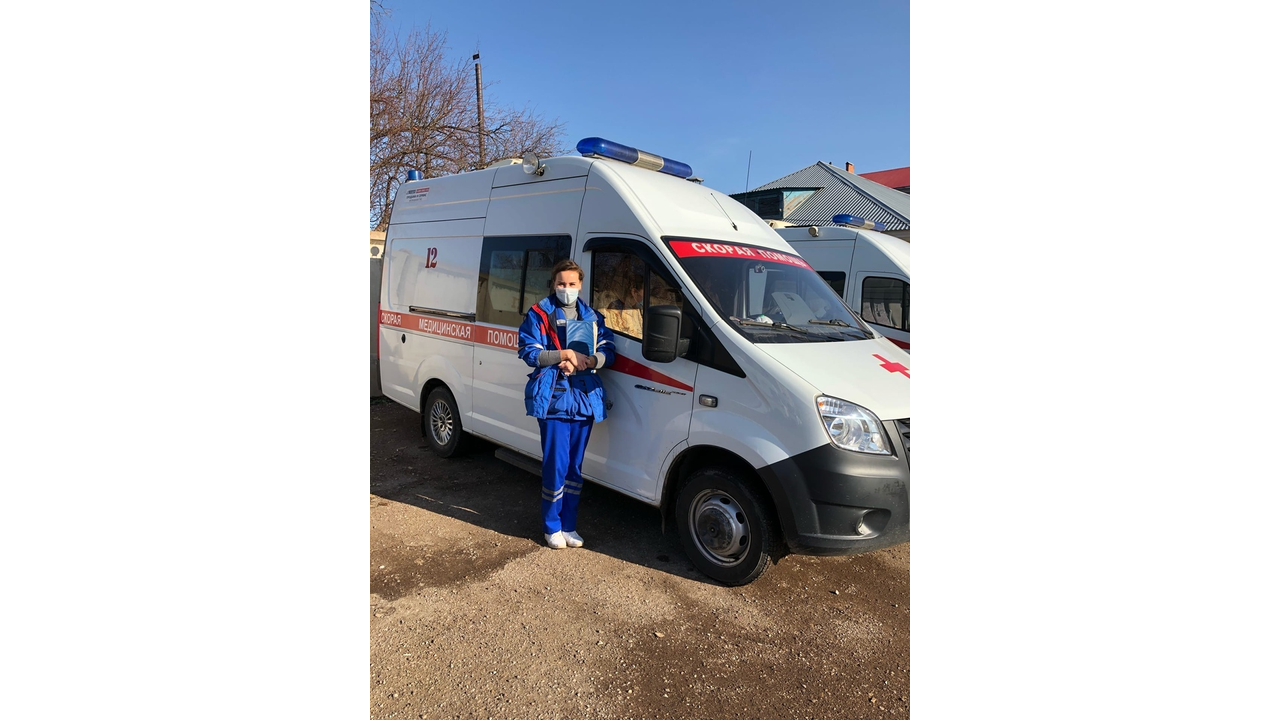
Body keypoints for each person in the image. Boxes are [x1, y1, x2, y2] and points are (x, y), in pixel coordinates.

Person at [517, 259, 616, 549]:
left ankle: (569, 526)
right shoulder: (539, 313)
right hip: (554, 399)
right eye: (561, 283)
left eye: (572, 283)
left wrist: (591, 360)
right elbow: (529, 351)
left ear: (580, 285)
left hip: (584, 398)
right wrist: (564, 354)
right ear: (554, 284)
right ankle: (552, 526)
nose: (566, 288)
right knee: (555, 466)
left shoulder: (593, 317)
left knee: (575, 466)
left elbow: (608, 349)